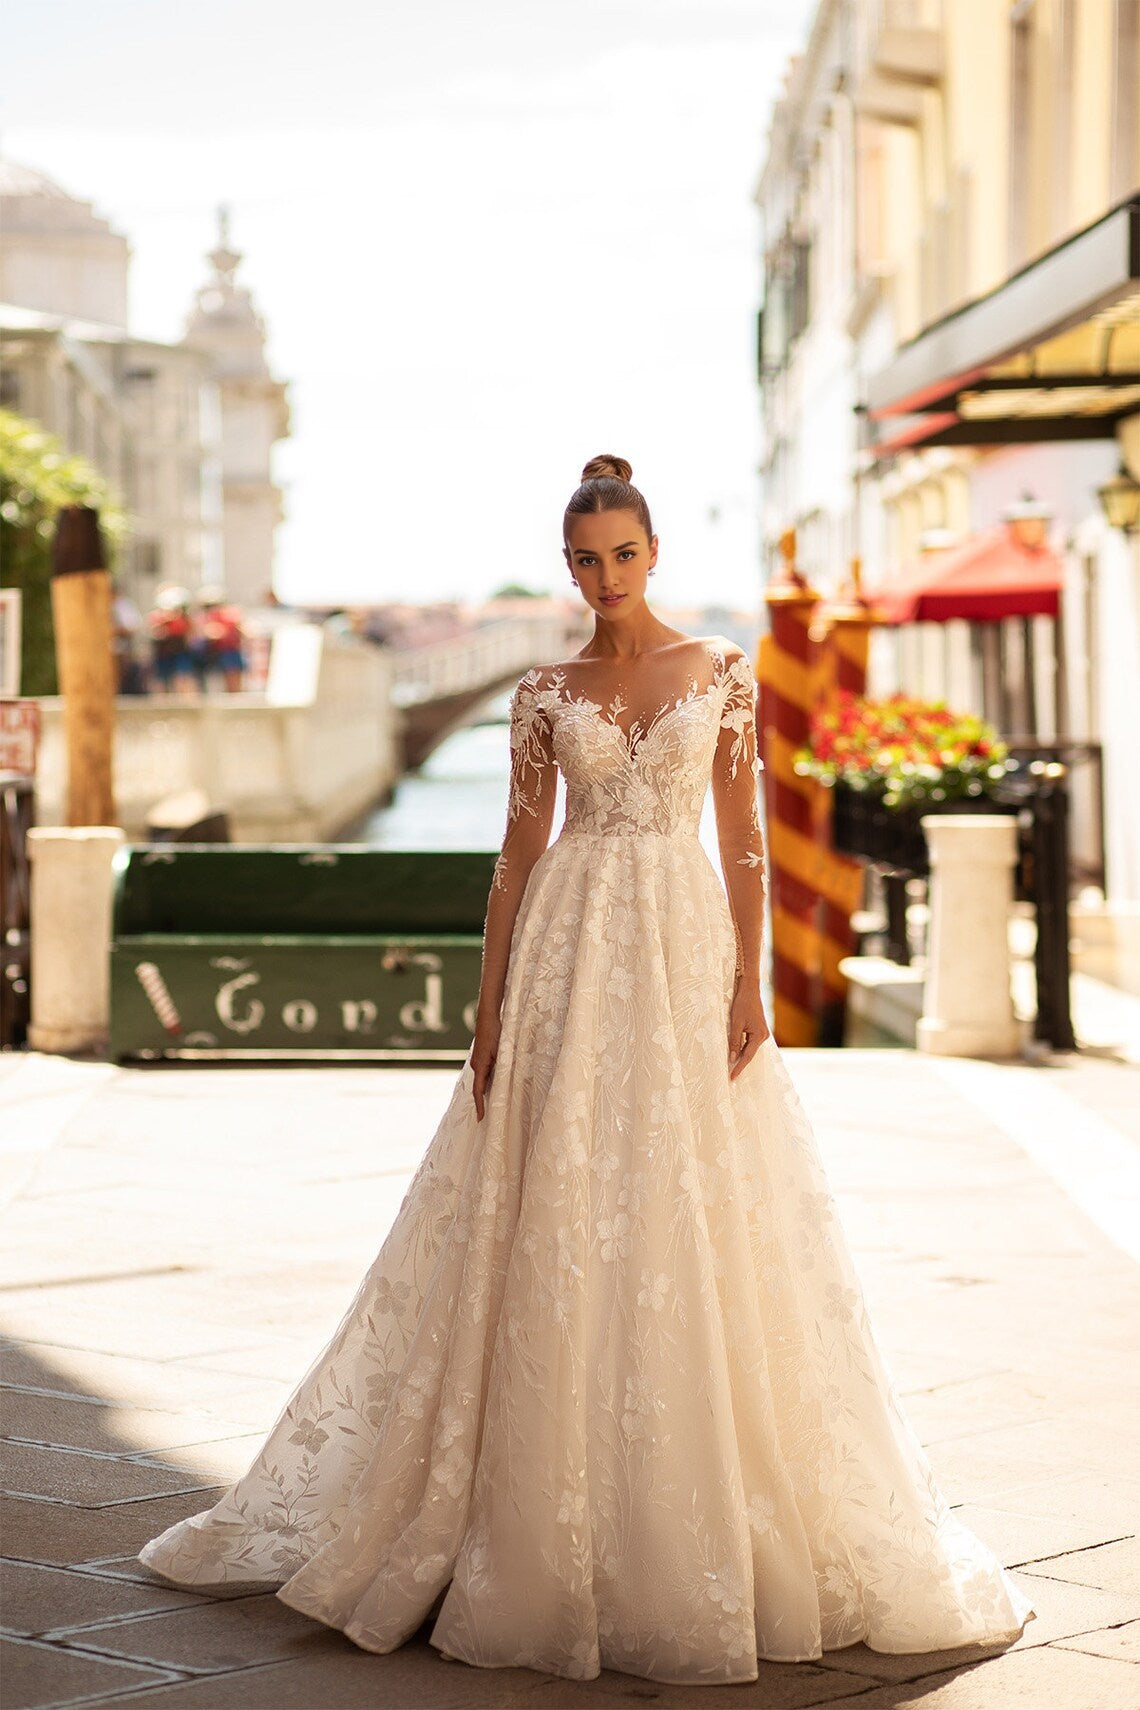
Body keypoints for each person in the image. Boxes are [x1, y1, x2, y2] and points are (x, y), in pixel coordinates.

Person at [139, 456, 1033, 1685]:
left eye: (621, 554)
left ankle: (692, 1504)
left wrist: (747, 985)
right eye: (583, 558)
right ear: (568, 566)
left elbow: (749, 843)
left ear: (653, 552)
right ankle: (524, 1507)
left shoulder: (720, 671)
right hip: (567, 947)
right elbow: (514, 857)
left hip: (679, 947)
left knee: (685, 1198)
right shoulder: (543, 689)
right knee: (552, 1199)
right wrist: (489, 1007)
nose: (604, 578)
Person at [196, 586, 246, 692]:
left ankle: (235, 697)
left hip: (229, 650)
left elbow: (235, 630)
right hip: (213, 652)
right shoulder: (206, 617)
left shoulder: (229, 614)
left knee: (233, 675)